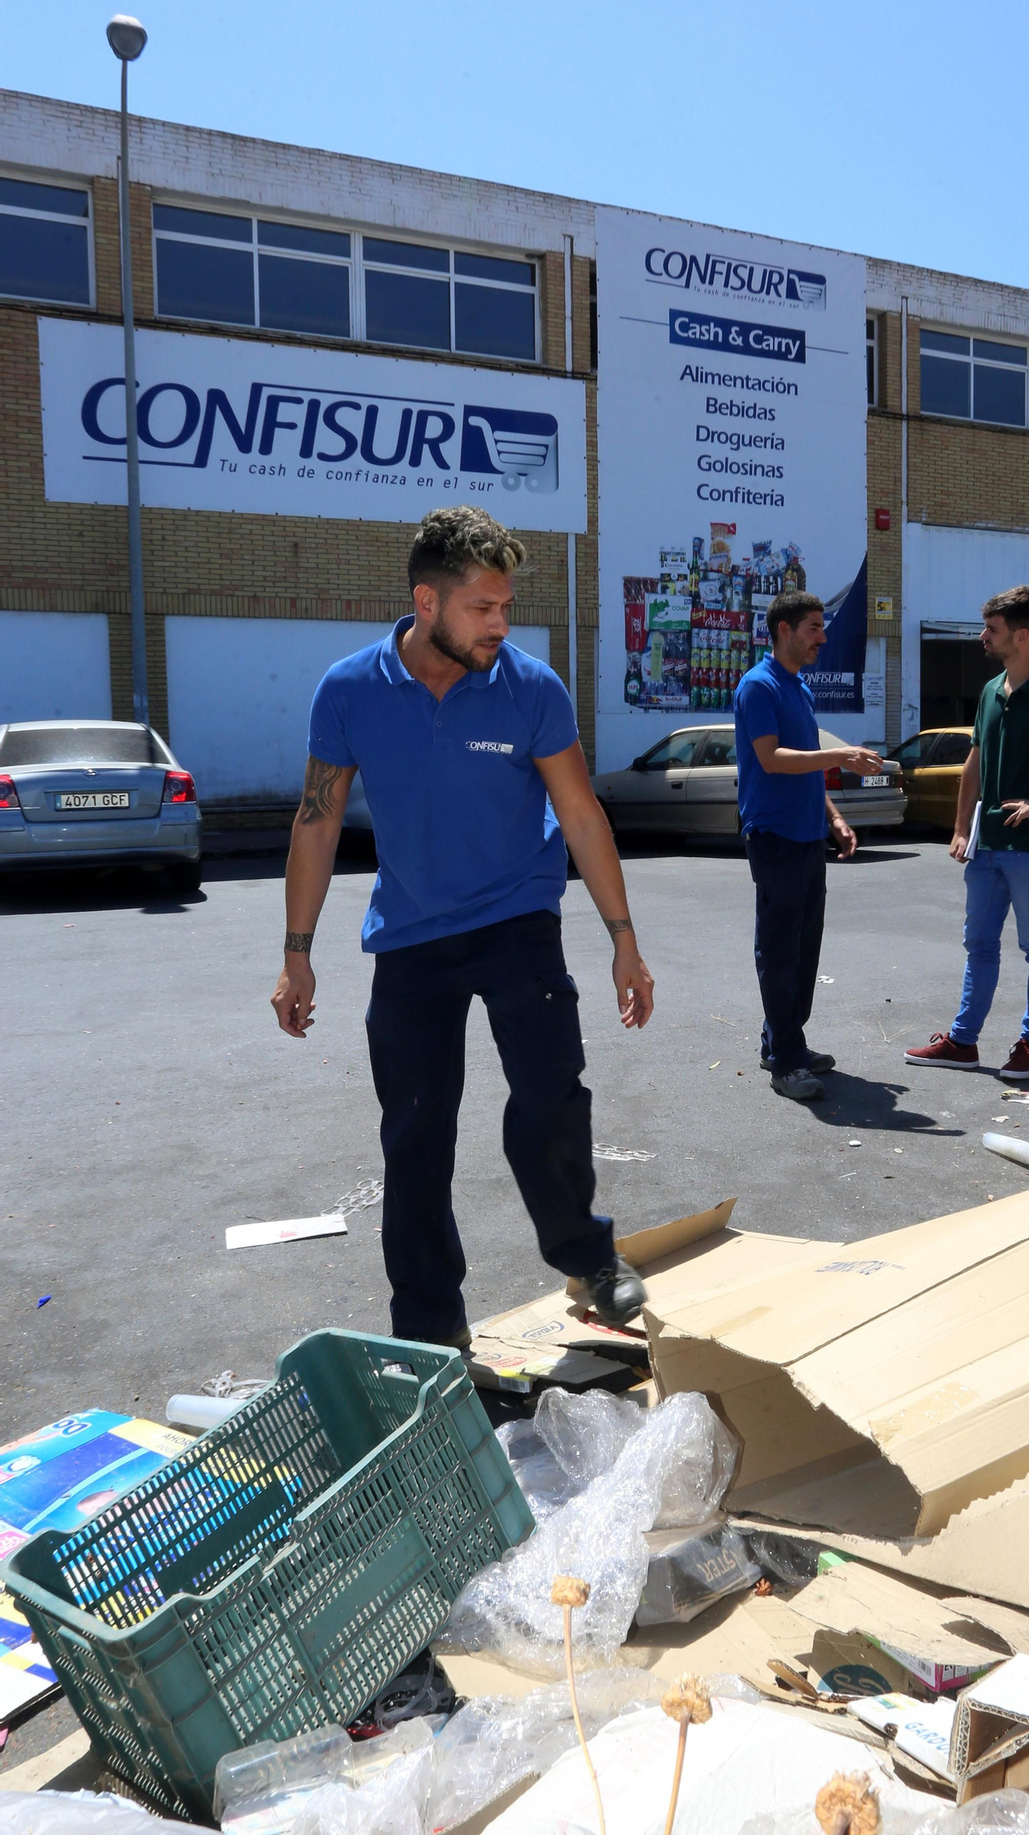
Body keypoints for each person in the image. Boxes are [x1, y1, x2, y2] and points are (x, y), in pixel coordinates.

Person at [270, 505, 655, 1347]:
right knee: (414, 1134)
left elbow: (581, 814)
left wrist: (624, 939)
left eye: (506, 606)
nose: (500, 624)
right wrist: (297, 955)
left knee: (551, 1095)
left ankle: (588, 1258)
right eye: (483, 607)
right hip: (411, 932)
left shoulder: (530, 687)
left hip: (518, 918)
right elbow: (317, 822)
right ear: (427, 601)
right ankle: (430, 1327)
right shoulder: (349, 690)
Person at [905, 583, 1029, 1081]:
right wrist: (960, 828)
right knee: (979, 946)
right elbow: (973, 763)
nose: (983, 637)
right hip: (987, 844)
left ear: (1021, 636)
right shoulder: (992, 691)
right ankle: (963, 1043)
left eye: (991, 630)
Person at [734, 590, 882, 1102]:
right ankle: (786, 1063)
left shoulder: (799, 687)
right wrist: (840, 756)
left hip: (807, 834)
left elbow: (808, 765)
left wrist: (835, 818)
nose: (823, 636)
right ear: (785, 630)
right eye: (814, 627)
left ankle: (781, 1042)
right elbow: (772, 758)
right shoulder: (759, 686)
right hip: (773, 835)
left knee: (803, 948)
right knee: (779, 950)